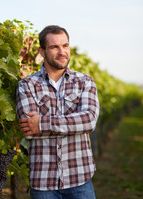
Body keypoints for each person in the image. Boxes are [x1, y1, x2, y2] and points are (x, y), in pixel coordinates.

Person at [16, 25, 99, 199]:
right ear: (42, 51)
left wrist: (42, 123)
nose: (62, 51)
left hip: (80, 178)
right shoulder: (27, 85)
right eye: (54, 47)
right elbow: (29, 130)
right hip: (43, 181)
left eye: (65, 45)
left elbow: (89, 120)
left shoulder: (85, 82)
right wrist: (73, 124)